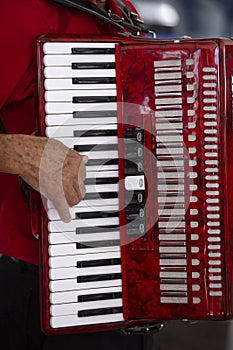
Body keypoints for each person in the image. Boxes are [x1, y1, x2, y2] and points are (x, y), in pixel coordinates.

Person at [0, 0, 160, 349]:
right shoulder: (18, 11)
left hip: (126, 287)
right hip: (42, 288)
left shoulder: (121, 13)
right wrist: (18, 153)